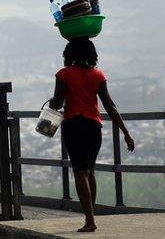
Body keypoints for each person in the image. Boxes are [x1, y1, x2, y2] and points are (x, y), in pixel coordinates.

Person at [49, 38, 135, 233]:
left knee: (80, 172)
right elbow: (109, 105)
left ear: (69, 54)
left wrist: (54, 101)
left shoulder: (64, 74)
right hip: (94, 127)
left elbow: (57, 102)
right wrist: (126, 133)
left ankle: (89, 220)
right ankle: (91, 217)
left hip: (74, 125)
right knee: (90, 171)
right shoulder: (98, 75)